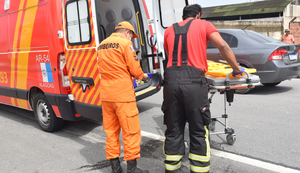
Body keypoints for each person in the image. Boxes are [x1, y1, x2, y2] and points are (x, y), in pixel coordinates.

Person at [162, 4, 243, 173]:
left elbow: (169, 54)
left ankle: (172, 169)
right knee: (198, 129)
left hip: (170, 83)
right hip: (193, 83)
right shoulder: (204, 25)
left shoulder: (169, 30)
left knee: (173, 128)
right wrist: (236, 69)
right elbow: (223, 46)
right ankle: (198, 169)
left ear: (183, 16)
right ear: (198, 15)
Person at [97, 21, 150, 173]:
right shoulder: (125, 44)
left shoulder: (101, 45)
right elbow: (135, 70)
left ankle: (115, 168)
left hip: (107, 95)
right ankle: (132, 169)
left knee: (111, 131)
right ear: (127, 33)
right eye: (131, 36)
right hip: (123, 96)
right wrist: (143, 76)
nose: (131, 39)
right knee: (130, 131)